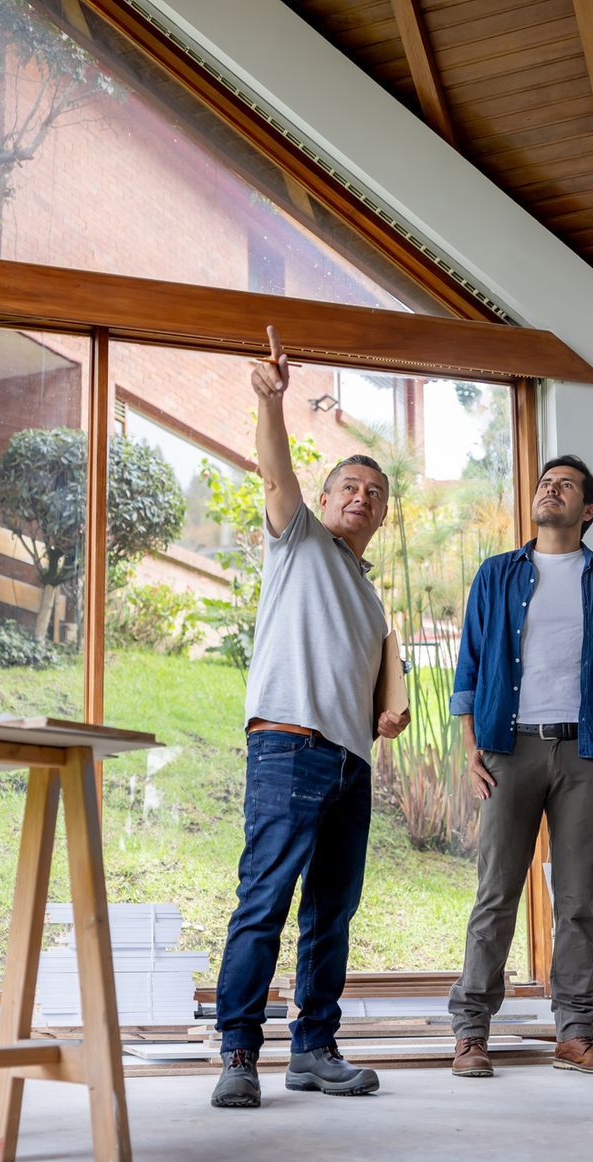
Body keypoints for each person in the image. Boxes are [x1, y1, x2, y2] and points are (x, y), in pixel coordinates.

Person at [211, 327, 410, 1109]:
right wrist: (271, 401)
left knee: (332, 914)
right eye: (349, 487)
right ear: (325, 502)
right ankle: (237, 1053)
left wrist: (390, 711)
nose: (361, 497)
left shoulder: (368, 594)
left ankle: (314, 1050)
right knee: (264, 901)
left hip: (348, 763)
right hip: (288, 747)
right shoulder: (297, 543)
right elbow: (275, 471)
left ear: (381, 516)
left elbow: (383, 679)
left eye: (375, 494)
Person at [445, 456, 593, 1079]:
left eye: (565, 486)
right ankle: (472, 1033)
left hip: (589, 752)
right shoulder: (498, 574)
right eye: (544, 482)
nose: (549, 490)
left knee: (578, 898)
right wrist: (470, 748)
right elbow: (471, 662)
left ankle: (575, 1033)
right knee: (496, 893)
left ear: (587, 510)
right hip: (510, 746)